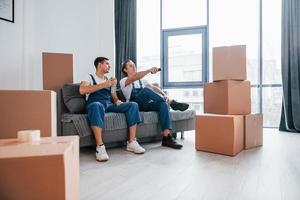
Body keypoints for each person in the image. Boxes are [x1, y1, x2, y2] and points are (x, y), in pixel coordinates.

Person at [79, 57, 145, 162]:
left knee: (133, 105)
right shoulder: (89, 77)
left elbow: (113, 95)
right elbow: (82, 90)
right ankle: (100, 147)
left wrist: (117, 101)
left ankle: (131, 142)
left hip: (109, 104)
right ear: (99, 65)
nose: (109, 66)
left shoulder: (110, 80)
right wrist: (105, 84)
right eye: (107, 64)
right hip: (95, 104)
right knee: (96, 105)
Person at [120, 59, 189, 149]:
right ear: (125, 70)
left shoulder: (142, 81)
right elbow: (134, 77)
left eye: (134, 65)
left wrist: (165, 95)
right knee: (145, 90)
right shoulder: (124, 80)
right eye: (130, 66)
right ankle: (172, 103)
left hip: (145, 104)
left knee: (163, 104)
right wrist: (149, 70)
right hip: (135, 105)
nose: (134, 67)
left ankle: (166, 137)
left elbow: (154, 87)